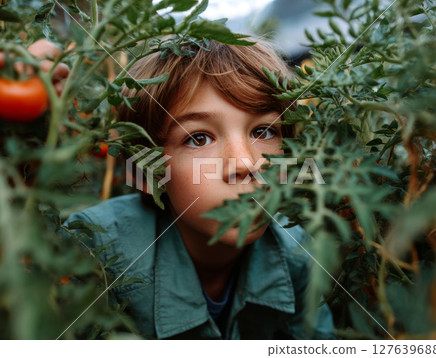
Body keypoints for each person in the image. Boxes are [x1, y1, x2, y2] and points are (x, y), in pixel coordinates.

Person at [64, 38, 335, 339]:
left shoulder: (298, 251)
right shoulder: (95, 250)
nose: (245, 163)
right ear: (145, 171)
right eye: (198, 138)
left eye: (263, 131)